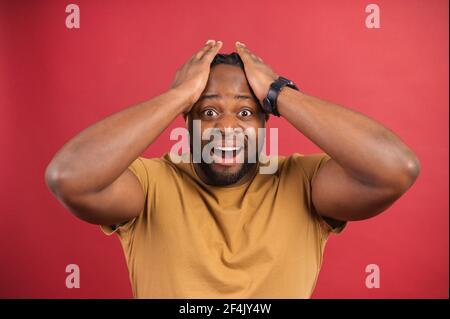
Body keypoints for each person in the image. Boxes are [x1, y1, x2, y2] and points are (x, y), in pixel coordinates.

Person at [45, 40, 420, 298]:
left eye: (245, 112)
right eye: (208, 112)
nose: (227, 128)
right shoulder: (151, 185)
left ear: (265, 122)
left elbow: (396, 168)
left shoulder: (303, 184)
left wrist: (279, 93)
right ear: (185, 121)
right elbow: (69, 177)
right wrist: (178, 95)